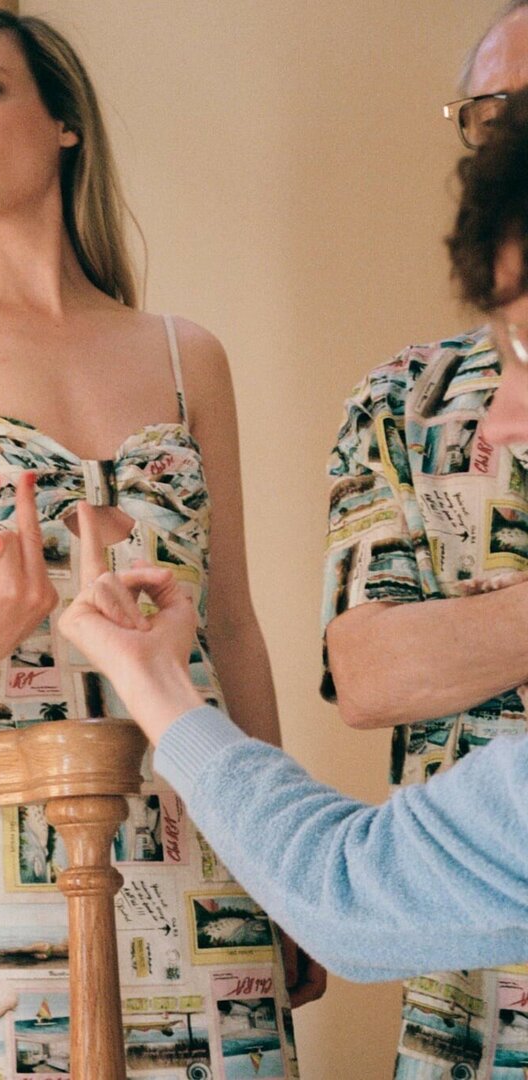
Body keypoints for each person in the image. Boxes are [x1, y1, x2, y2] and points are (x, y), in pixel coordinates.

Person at [0, 9, 319, 1078]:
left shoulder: (187, 355)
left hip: (190, 800)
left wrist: (282, 854)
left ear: (64, 123)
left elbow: (230, 624)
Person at [57, 86, 528, 987]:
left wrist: (157, 687)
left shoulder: (185, 355)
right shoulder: (398, 400)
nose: (499, 420)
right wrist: (160, 684)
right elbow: (369, 678)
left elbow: (345, 896)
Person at [321, 3, 528, 1075]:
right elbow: (371, 673)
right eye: (496, 113)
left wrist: (473, 635)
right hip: (470, 990)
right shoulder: (406, 399)